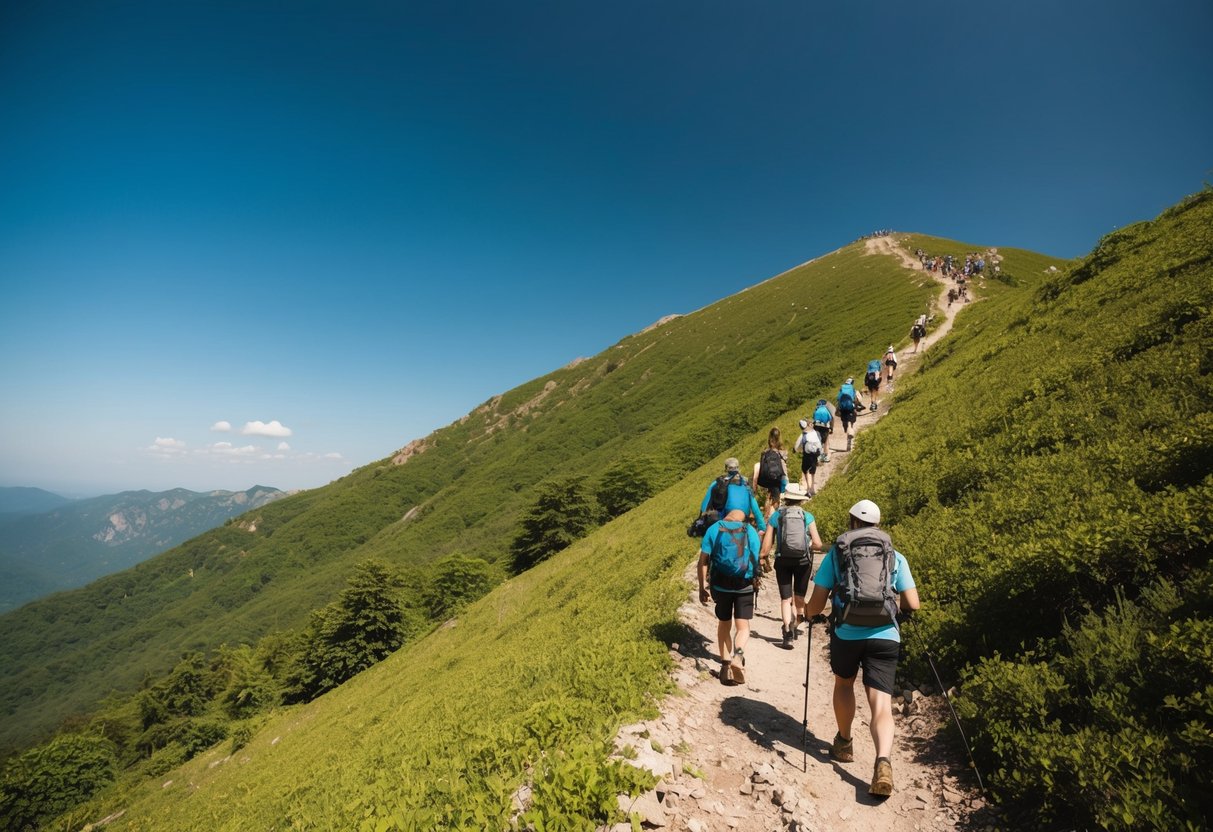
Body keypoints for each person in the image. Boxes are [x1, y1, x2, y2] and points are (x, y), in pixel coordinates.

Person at [804, 499, 920, 797]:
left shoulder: (838, 554)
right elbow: (913, 604)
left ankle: (844, 743)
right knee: (880, 703)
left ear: (852, 521)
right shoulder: (896, 556)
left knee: (844, 684)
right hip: (885, 636)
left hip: (847, 633)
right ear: (877, 525)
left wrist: (808, 613)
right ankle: (882, 761)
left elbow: (816, 604)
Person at [698, 508, 762, 685]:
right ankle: (738, 655)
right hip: (744, 584)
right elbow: (757, 557)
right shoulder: (750, 530)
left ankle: (725, 667)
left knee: (724, 623)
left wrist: (701, 587)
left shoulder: (714, 529)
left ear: (727, 516)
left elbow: (703, 560)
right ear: (743, 518)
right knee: (743, 627)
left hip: (720, 584)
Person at [759, 484, 823, 649]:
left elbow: (766, 546)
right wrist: (807, 545)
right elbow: (818, 544)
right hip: (803, 561)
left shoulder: (776, 517)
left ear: (786, 498)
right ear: (801, 500)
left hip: (783, 561)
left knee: (786, 598)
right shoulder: (807, 516)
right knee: (799, 596)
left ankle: (787, 631)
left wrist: (762, 557)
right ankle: (796, 622)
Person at [698, 458, 767, 533]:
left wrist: (701, 519)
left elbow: (705, 503)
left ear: (726, 469)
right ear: (738, 468)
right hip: (743, 519)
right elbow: (755, 507)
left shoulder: (717, 483)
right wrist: (762, 527)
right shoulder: (745, 482)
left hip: (725, 519)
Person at [752, 428, 789, 521]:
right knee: (779, 500)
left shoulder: (765, 452)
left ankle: (767, 517)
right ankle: (773, 521)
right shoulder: (782, 451)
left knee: (770, 497)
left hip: (769, 479)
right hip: (781, 477)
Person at [793, 419, 823, 494]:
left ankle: (809, 489)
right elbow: (819, 445)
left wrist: (796, 450)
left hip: (806, 456)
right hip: (815, 455)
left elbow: (796, 447)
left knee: (807, 471)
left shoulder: (803, 435)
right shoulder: (815, 433)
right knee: (812, 472)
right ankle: (812, 489)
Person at [837, 378, 859, 452]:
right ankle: (849, 442)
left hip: (843, 408)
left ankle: (847, 431)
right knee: (851, 424)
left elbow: (838, 398)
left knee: (845, 423)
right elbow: (855, 399)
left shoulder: (841, 387)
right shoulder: (852, 388)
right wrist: (855, 407)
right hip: (850, 408)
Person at [812, 399, 833, 463]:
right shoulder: (826, 410)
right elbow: (831, 419)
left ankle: (818, 456)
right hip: (825, 427)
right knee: (826, 442)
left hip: (817, 427)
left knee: (819, 441)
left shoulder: (816, 410)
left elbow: (814, 419)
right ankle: (825, 457)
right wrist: (831, 428)